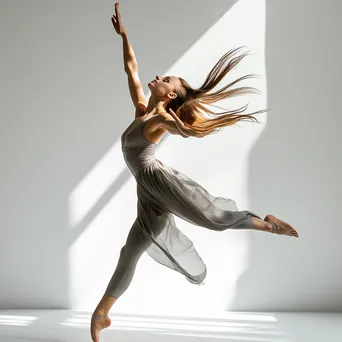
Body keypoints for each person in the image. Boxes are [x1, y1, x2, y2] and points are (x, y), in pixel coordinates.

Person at [90, 2, 299, 341]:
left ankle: (270, 226)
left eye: (167, 79)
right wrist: (124, 36)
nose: (159, 76)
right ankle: (102, 314)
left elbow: (178, 130)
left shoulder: (158, 120)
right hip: (148, 192)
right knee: (132, 249)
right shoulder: (142, 112)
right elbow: (131, 70)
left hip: (159, 181)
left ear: (171, 94)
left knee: (212, 218)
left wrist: (181, 127)